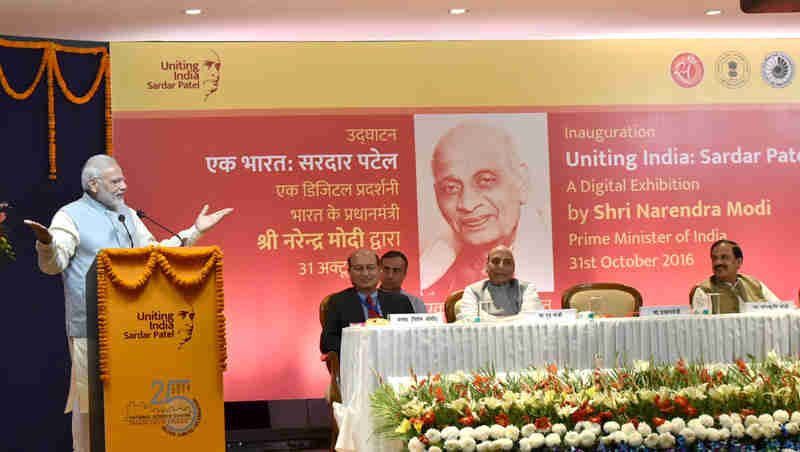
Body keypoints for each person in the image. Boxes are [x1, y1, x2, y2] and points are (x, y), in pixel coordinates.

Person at [24, 154, 232, 452]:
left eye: (123, 179)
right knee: (90, 407)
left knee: (134, 402)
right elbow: (54, 264)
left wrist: (195, 231)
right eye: (115, 181)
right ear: (93, 185)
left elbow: (155, 254)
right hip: (91, 330)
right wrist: (46, 245)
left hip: (136, 328)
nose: (124, 185)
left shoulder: (128, 215)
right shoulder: (69, 216)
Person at [421, 119, 551, 298]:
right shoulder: (430, 278)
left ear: (521, 182)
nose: (467, 204)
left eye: (485, 181)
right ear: (437, 194)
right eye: (451, 188)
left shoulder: (552, 259)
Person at [320, 249, 414, 356]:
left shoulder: (400, 302)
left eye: (370, 267)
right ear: (349, 272)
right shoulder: (338, 302)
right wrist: (362, 346)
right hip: (357, 364)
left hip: (396, 361)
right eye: (358, 268)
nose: (365, 273)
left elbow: (413, 337)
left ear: (379, 270)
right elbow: (327, 343)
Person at [456, 245, 544, 322]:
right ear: (486, 267)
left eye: (507, 262)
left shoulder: (527, 289)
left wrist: (485, 319)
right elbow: (469, 319)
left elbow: (533, 318)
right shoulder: (472, 290)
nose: (501, 266)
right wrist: (513, 319)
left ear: (513, 268)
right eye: (495, 261)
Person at [691, 239, 780, 314]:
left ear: (739, 262)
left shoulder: (754, 284)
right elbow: (701, 326)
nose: (718, 263)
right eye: (714, 258)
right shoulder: (703, 290)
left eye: (724, 257)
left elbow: (780, 309)